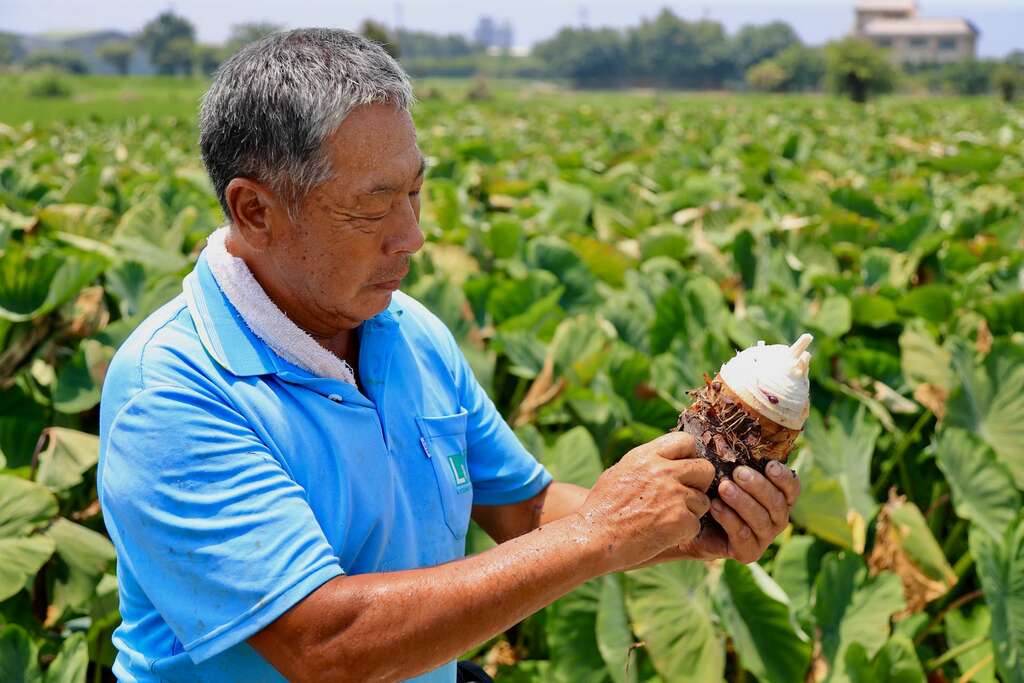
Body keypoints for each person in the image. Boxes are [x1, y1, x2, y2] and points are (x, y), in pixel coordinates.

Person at [97, 28, 801, 683]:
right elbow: (323, 642)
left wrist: (688, 524)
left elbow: (524, 510)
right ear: (254, 211)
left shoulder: (408, 331)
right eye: (373, 207)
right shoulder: (171, 386)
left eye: (415, 192)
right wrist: (601, 531)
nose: (412, 236)